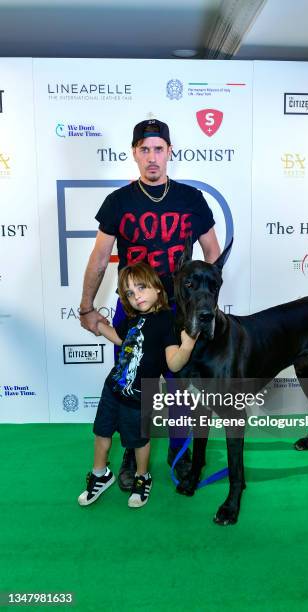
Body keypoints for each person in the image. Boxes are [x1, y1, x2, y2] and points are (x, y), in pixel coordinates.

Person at [79, 118, 220, 489]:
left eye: (159, 149)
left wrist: (203, 305)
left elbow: (212, 254)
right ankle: (131, 452)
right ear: (134, 154)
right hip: (134, 310)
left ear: (170, 152)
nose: (152, 157)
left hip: (176, 312)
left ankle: (179, 453)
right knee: (132, 389)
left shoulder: (190, 199)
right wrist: (86, 306)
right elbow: (98, 257)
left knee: (177, 387)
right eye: (145, 150)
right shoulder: (119, 202)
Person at [78, 262, 198, 508]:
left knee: (139, 440)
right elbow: (119, 338)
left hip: (142, 395)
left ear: (158, 289)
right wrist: (99, 326)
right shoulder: (132, 319)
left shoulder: (168, 321)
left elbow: (173, 365)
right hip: (113, 388)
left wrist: (187, 345)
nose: (136, 296)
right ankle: (100, 474)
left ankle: (142, 477)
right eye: (130, 293)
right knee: (102, 432)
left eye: (141, 288)